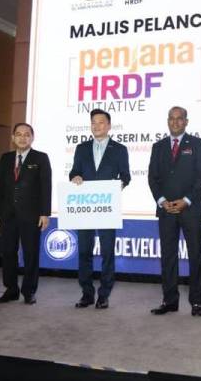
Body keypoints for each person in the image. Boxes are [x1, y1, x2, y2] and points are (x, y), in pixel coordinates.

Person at [148, 106, 201, 317]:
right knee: (168, 256)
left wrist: (186, 200)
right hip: (166, 210)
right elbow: (152, 177)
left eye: (179, 118)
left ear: (186, 121)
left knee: (196, 255)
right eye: (171, 118)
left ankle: (197, 302)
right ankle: (169, 301)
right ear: (167, 121)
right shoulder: (158, 147)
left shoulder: (198, 144)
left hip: (191, 209)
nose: (175, 122)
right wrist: (161, 201)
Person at [69, 109, 130, 309]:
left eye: (101, 122)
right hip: (85, 207)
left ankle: (104, 295)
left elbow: (126, 175)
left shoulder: (119, 149)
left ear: (109, 125)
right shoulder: (81, 148)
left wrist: (119, 184)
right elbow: (74, 171)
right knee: (84, 251)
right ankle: (86, 294)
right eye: (93, 122)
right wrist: (75, 177)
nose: (96, 126)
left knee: (107, 252)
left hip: (107, 207)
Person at [0, 123, 51, 305]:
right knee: (8, 252)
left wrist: (44, 213)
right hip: (7, 215)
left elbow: (45, 187)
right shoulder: (6, 158)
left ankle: (29, 291)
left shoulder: (41, 158)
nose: (22, 138)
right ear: (13, 138)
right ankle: (11, 290)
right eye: (18, 134)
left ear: (32, 138)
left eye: (26, 134)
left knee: (31, 254)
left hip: (31, 215)